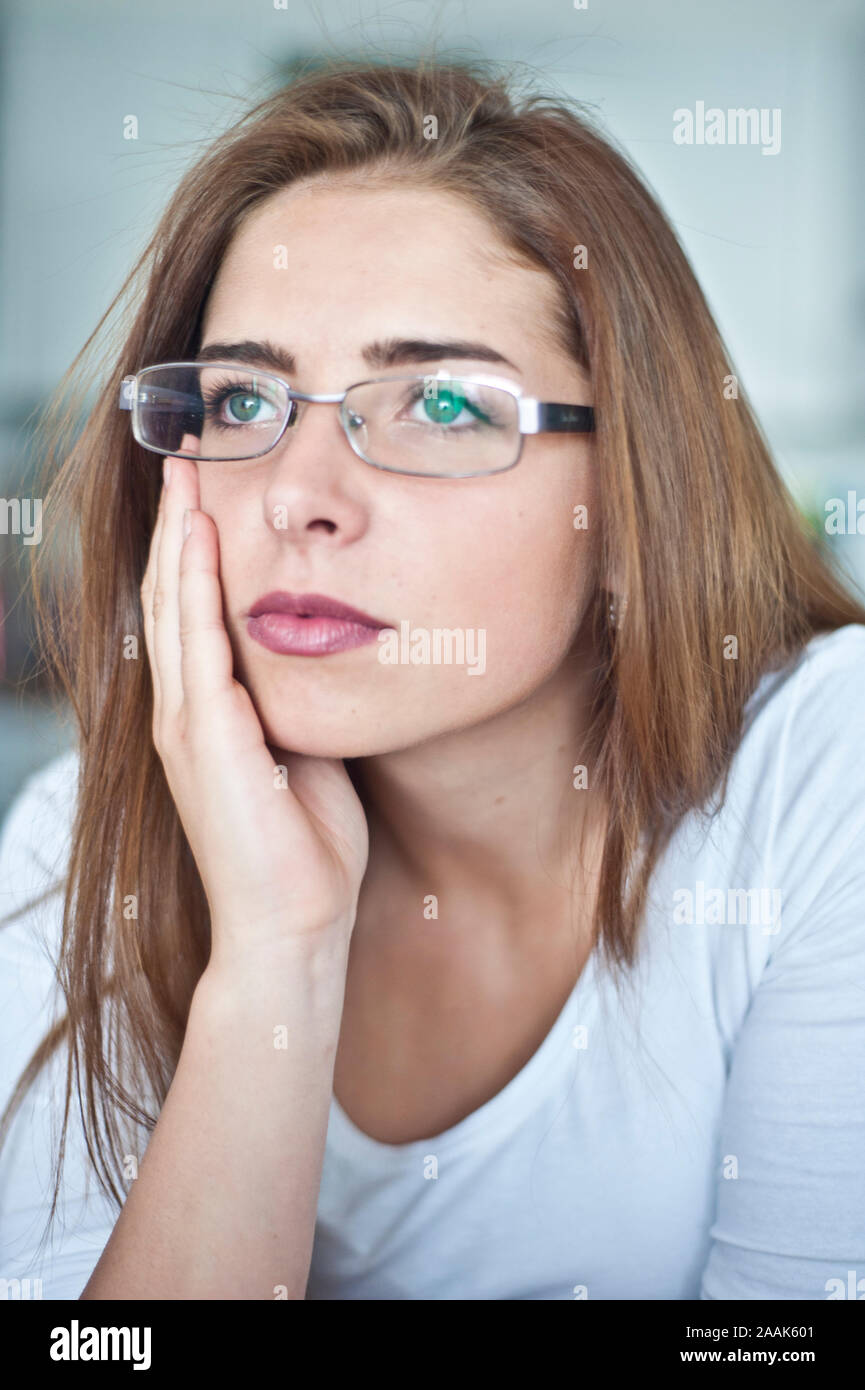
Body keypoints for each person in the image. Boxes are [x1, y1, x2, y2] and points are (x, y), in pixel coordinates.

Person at [1, 57, 864, 1302]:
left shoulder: (824, 774)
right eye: (243, 397)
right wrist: (275, 956)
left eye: (443, 403)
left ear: (632, 504)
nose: (297, 496)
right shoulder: (78, 844)